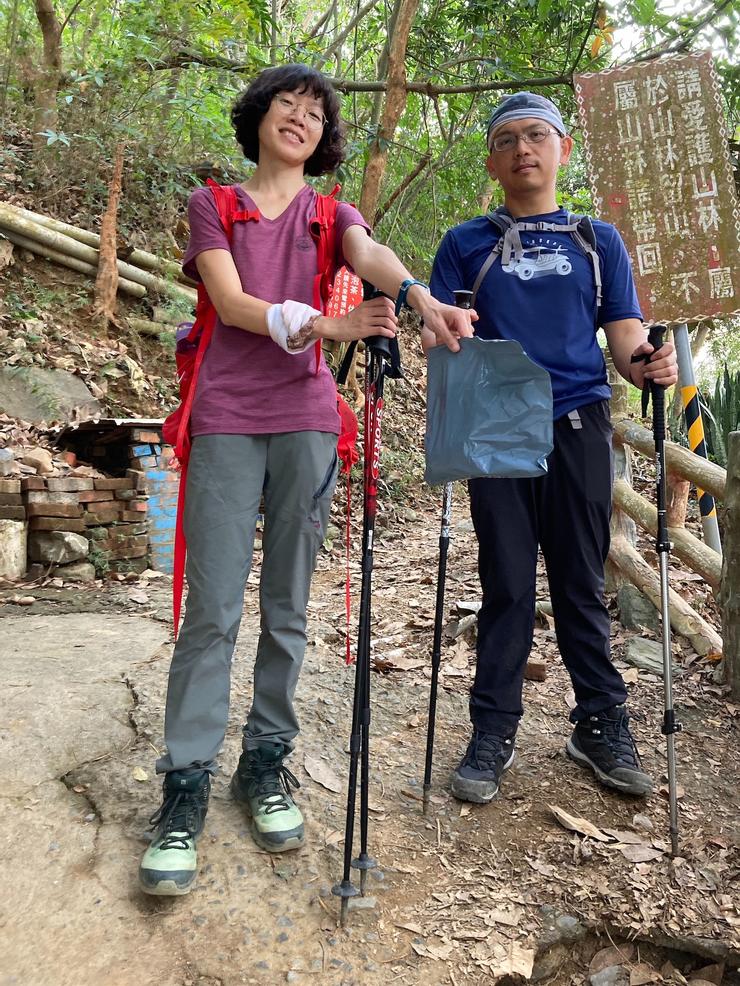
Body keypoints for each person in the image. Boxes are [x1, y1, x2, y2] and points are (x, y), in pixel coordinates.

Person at [139, 63, 473, 896]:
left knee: (288, 604)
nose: (301, 115)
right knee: (211, 610)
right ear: (258, 116)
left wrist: (423, 301)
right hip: (225, 412)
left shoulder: (333, 215)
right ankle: (185, 785)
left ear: (324, 139)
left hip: (307, 420)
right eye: (288, 102)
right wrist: (327, 322)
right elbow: (233, 301)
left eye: (317, 111)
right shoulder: (214, 204)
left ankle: (265, 762)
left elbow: (370, 252)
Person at [425, 91, 678, 805]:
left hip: (578, 422)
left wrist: (649, 366)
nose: (523, 149)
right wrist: (440, 330)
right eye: (507, 140)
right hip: (495, 423)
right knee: (506, 582)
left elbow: (626, 341)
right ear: (492, 161)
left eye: (537, 135)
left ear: (563, 148)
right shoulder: (463, 243)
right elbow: (440, 329)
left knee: (577, 580)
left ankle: (599, 722)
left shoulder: (598, 240)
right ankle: (492, 729)